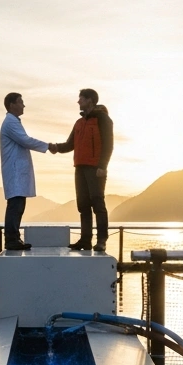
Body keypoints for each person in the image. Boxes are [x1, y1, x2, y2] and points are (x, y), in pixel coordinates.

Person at [47, 89, 113, 252]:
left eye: (81, 99)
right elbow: (70, 144)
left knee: (97, 203)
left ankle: (102, 240)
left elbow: (108, 144)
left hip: (95, 168)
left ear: (90, 100)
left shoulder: (103, 119)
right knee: (83, 205)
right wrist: (55, 147)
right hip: (80, 168)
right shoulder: (79, 122)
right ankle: (85, 240)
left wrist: (102, 166)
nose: (78, 102)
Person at [0, 92, 49, 251]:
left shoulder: (13, 122)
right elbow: (25, 140)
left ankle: (14, 238)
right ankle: (11, 239)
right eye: (21, 102)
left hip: (16, 172)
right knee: (15, 205)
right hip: (14, 171)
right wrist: (49, 146)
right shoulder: (10, 122)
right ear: (12, 104)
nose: (24, 105)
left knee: (18, 204)